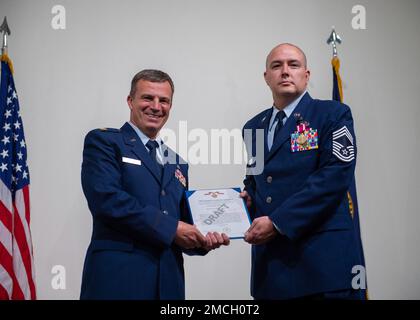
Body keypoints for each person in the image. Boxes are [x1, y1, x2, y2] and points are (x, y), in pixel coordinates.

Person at [80, 69, 229, 300]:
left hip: (168, 283)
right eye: (148, 98)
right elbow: (107, 200)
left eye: (164, 101)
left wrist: (205, 238)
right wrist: (173, 229)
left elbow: (181, 220)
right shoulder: (105, 142)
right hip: (117, 281)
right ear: (130, 101)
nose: (156, 106)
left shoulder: (178, 162)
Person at [240, 43, 365, 299]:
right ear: (266, 77)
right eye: (277, 66)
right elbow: (257, 179)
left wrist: (277, 222)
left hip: (322, 266)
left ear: (306, 75)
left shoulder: (332, 114)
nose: (285, 71)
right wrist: (247, 199)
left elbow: (334, 176)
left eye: (293, 65)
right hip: (272, 269)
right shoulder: (253, 127)